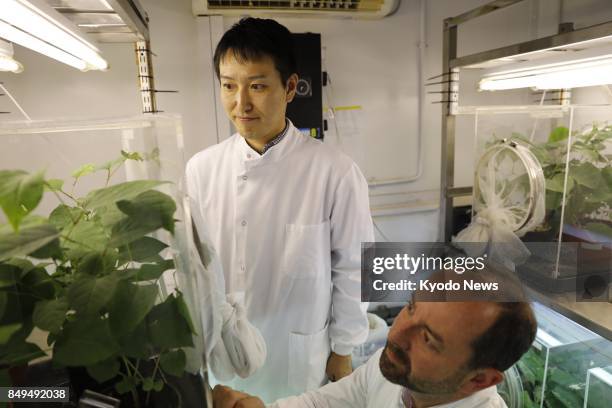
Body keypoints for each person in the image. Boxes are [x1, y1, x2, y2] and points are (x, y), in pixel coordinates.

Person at [185, 17, 373, 402]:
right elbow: (196, 266)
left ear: (289, 87)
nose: (241, 103)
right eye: (228, 86)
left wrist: (343, 350)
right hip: (223, 356)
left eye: (257, 85)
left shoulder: (334, 171)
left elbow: (355, 266)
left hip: (295, 358)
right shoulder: (201, 169)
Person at [212, 296, 537, 408]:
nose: (396, 335)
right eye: (411, 309)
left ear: (480, 379)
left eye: (428, 339)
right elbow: (322, 402)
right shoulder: (399, 375)